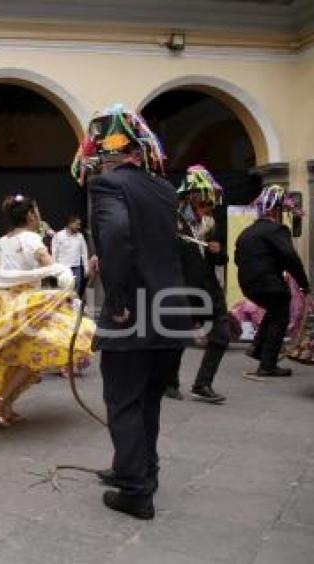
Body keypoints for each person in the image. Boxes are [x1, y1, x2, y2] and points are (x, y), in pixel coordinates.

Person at [72, 104, 190, 520]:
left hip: (134, 316)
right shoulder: (164, 188)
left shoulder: (106, 186)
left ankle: (136, 492)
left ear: (102, 153)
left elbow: (120, 236)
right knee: (148, 404)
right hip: (170, 313)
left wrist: (118, 300)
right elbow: (156, 244)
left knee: (123, 403)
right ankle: (139, 470)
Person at [0, 194, 95, 426]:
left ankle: (4, 404)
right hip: (28, 306)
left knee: (20, 357)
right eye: (37, 211)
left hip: (5, 306)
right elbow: (54, 269)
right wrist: (68, 289)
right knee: (32, 355)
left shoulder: (0, 242)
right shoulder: (32, 240)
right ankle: (1, 399)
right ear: (30, 215)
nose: (39, 216)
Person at [164, 165, 230, 403]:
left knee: (221, 335)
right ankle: (169, 382)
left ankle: (202, 384)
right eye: (202, 199)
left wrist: (217, 251)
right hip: (183, 288)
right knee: (179, 338)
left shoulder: (211, 223)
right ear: (191, 195)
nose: (206, 205)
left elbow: (222, 260)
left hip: (209, 289)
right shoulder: (174, 221)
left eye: (208, 201)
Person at [235, 184, 309, 376]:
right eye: (283, 210)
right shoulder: (277, 230)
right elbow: (290, 257)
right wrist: (304, 285)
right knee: (281, 316)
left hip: (247, 283)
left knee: (274, 311)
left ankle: (257, 348)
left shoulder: (247, 231)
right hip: (268, 282)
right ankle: (267, 365)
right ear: (276, 210)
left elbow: (237, 258)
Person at [52, 214, 90, 297]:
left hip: (76, 268)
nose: (79, 227)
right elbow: (54, 253)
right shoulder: (58, 235)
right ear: (70, 224)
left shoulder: (80, 236)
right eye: (77, 224)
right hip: (63, 268)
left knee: (76, 291)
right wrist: (54, 269)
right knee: (63, 291)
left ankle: (74, 308)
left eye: (79, 224)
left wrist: (86, 268)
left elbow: (84, 253)